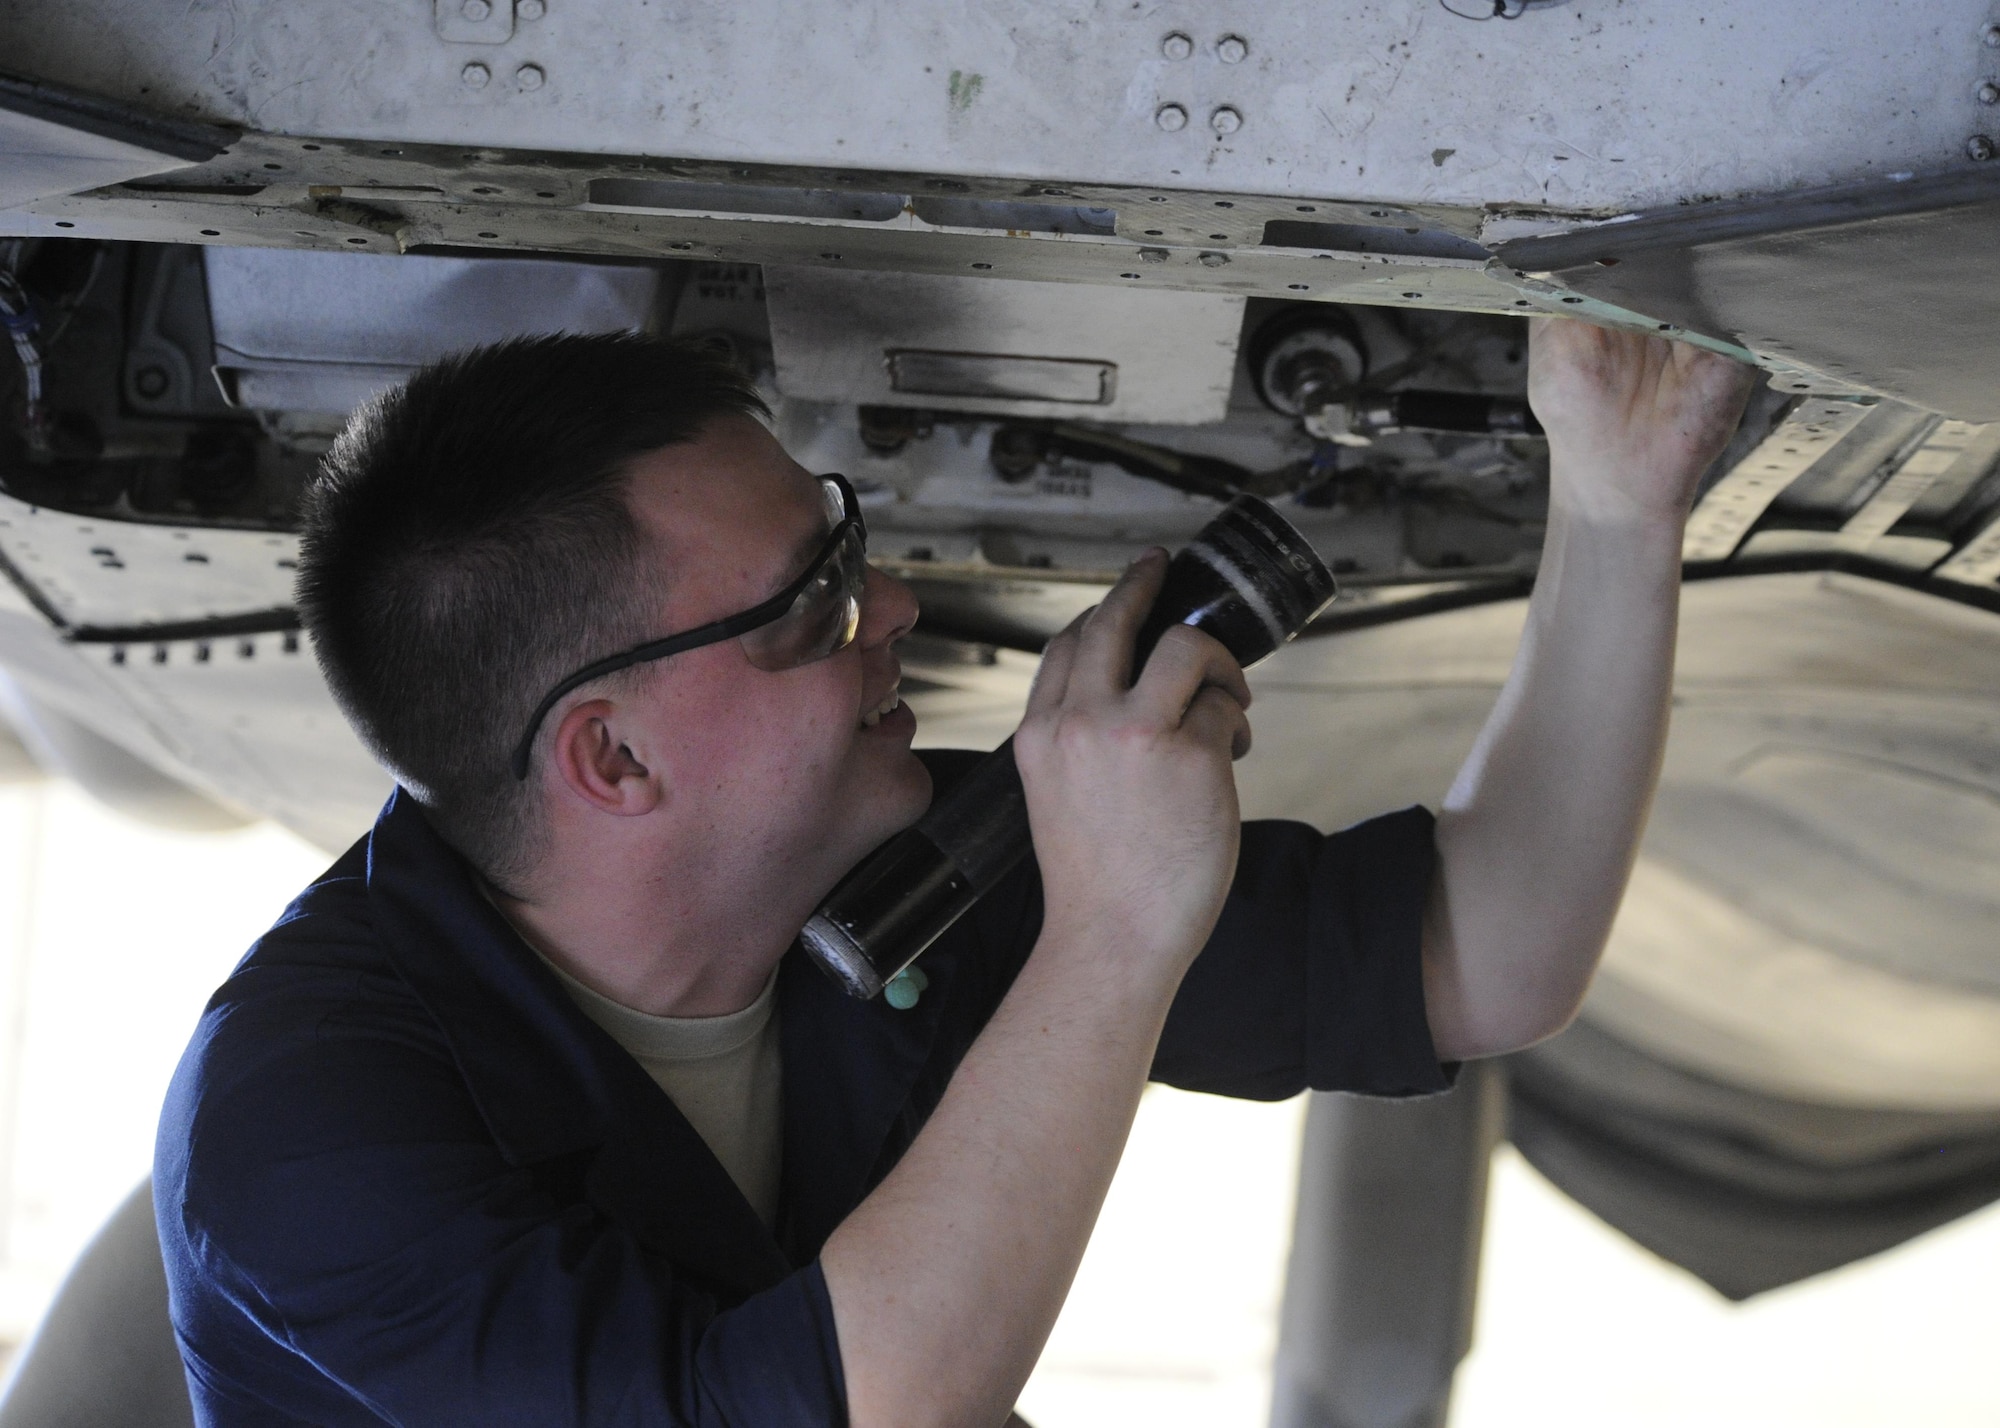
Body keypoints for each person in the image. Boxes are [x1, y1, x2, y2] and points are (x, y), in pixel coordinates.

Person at [154, 316, 1751, 1427]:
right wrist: (1117, 929)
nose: (898, 604)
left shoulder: (889, 866)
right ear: (615, 760)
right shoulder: (305, 1130)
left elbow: (1488, 956)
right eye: (813, 600)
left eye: (846, 544)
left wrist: (1618, 504)